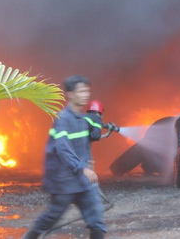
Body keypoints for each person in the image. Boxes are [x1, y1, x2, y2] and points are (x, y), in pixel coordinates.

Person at [24, 75, 106, 239]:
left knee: (97, 222)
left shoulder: (82, 119)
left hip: (83, 182)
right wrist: (83, 168)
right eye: (80, 91)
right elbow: (63, 149)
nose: (85, 95)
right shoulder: (62, 119)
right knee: (51, 218)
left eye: (87, 91)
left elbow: (84, 145)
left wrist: (88, 164)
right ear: (69, 94)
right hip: (63, 181)